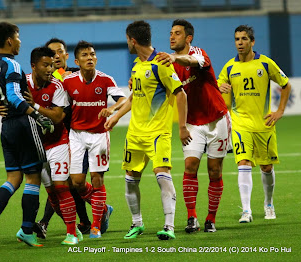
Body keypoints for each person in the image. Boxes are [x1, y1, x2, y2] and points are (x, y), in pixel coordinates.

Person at [105, 20, 191, 240]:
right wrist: (116, 116)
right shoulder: (137, 65)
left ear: (133, 41)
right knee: (131, 177)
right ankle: (137, 223)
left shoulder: (161, 63)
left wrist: (182, 127)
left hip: (158, 132)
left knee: (162, 174)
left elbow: (180, 94)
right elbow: (135, 96)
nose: (128, 44)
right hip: (135, 133)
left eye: (127, 41)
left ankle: (169, 226)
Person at [0, 22, 52, 249]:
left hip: (6, 126)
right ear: (10, 40)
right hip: (22, 123)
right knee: (33, 177)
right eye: (18, 37)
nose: (20, 41)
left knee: (13, 178)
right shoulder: (12, 64)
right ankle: (27, 230)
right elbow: (13, 95)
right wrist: (36, 115)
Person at [156, 19, 231, 233]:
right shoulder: (168, 65)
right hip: (192, 124)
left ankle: (211, 218)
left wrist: (174, 57)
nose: (171, 36)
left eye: (177, 33)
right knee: (190, 166)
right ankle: (192, 218)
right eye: (170, 32)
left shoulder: (199, 53)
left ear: (188, 38)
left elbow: (191, 61)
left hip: (217, 119)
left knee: (214, 171)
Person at [217, 25, 291, 223]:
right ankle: (246, 211)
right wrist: (219, 85)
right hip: (240, 123)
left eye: (243, 39)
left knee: (266, 167)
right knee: (243, 163)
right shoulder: (229, 66)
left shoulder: (265, 64)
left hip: (263, 124)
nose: (239, 43)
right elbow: (217, 84)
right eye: (237, 39)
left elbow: (286, 85)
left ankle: (268, 203)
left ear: (252, 41)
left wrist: (280, 111)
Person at [64, 40, 126, 238]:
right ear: (77, 60)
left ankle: (96, 226)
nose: (90, 58)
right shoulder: (68, 82)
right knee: (77, 182)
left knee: (97, 179)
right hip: (76, 136)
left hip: (99, 135)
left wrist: (112, 109)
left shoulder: (106, 80)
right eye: (85, 55)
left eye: (92, 54)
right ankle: (104, 207)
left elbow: (123, 100)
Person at [34, 38, 92, 236]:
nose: (56, 56)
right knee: (65, 184)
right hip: (55, 137)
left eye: (59, 52)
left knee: (65, 184)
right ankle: (87, 219)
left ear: (67, 55)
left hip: (75, 137)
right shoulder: (48, 78)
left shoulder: (77, 76)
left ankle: (44, 222)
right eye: (52, 54)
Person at [26, 46, 82, 245]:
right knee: (51, 194)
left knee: (61, 187)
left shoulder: (57, 86)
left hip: (58, 142)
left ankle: (71, 235)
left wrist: (36, 106)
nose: (50, 69)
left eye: (51, 65)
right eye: (45, 65)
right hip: (35, 145)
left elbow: (58, 117)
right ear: (34, 66)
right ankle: (73, 226)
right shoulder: (22, 84)